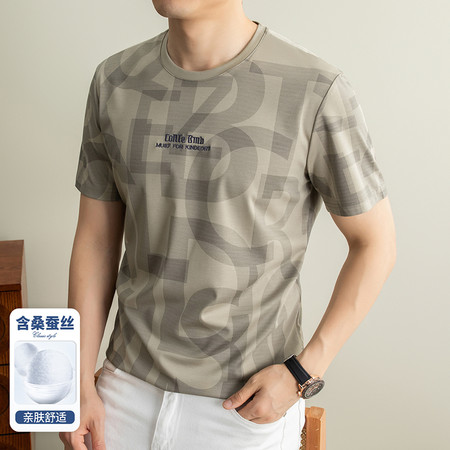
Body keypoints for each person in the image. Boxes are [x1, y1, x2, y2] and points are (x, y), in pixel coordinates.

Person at [59, 1, 396, 449]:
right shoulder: (115, 80)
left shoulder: (314, 89)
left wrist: (303, 372)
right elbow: (97, 239)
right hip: (123, 392)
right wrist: (78, 381)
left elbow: (375, 243)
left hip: (243, 408)